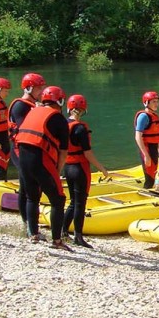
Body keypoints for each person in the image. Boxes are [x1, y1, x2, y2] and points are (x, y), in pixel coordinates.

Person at [15, 86, 71, 251]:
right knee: (58, 199)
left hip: (23, 159)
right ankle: (57, 241)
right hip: (40, 160)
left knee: (32, 196)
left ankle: (33, 234)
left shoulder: (32, 111)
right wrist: (58, 170)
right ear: (60, 101)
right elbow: (63, 152)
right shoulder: (59, 119)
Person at [62, 94, 110, 249]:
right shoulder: (80, 128)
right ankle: (78, 236)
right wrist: (102, 169)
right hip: (79, 168)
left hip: (67, 167)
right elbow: (87, 153)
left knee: (73, 202)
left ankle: (63, 231)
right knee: (80, 203)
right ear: (83, 109)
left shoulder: (63, 124)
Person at [9, 72, 46, 232]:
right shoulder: (20, 106)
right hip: (20, 151)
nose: (41, 91)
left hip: (26, 150)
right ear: (29, 88)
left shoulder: (32, 105)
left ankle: (28, 223)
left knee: (26, 187)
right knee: (27, 187)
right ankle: (28, 224)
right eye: (39, 88)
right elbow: (25, 128)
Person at [134, 91, 159, 189]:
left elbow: (157, 137)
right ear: (146, 102)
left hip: (153, 149)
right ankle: (146, 193)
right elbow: (138, 137)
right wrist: (146, 155)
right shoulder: (143, 116)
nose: (156, 104)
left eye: (157, 101)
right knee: (150, 178)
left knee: (153, 175)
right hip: (147, 149)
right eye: (153, 102)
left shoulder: (154, 115)